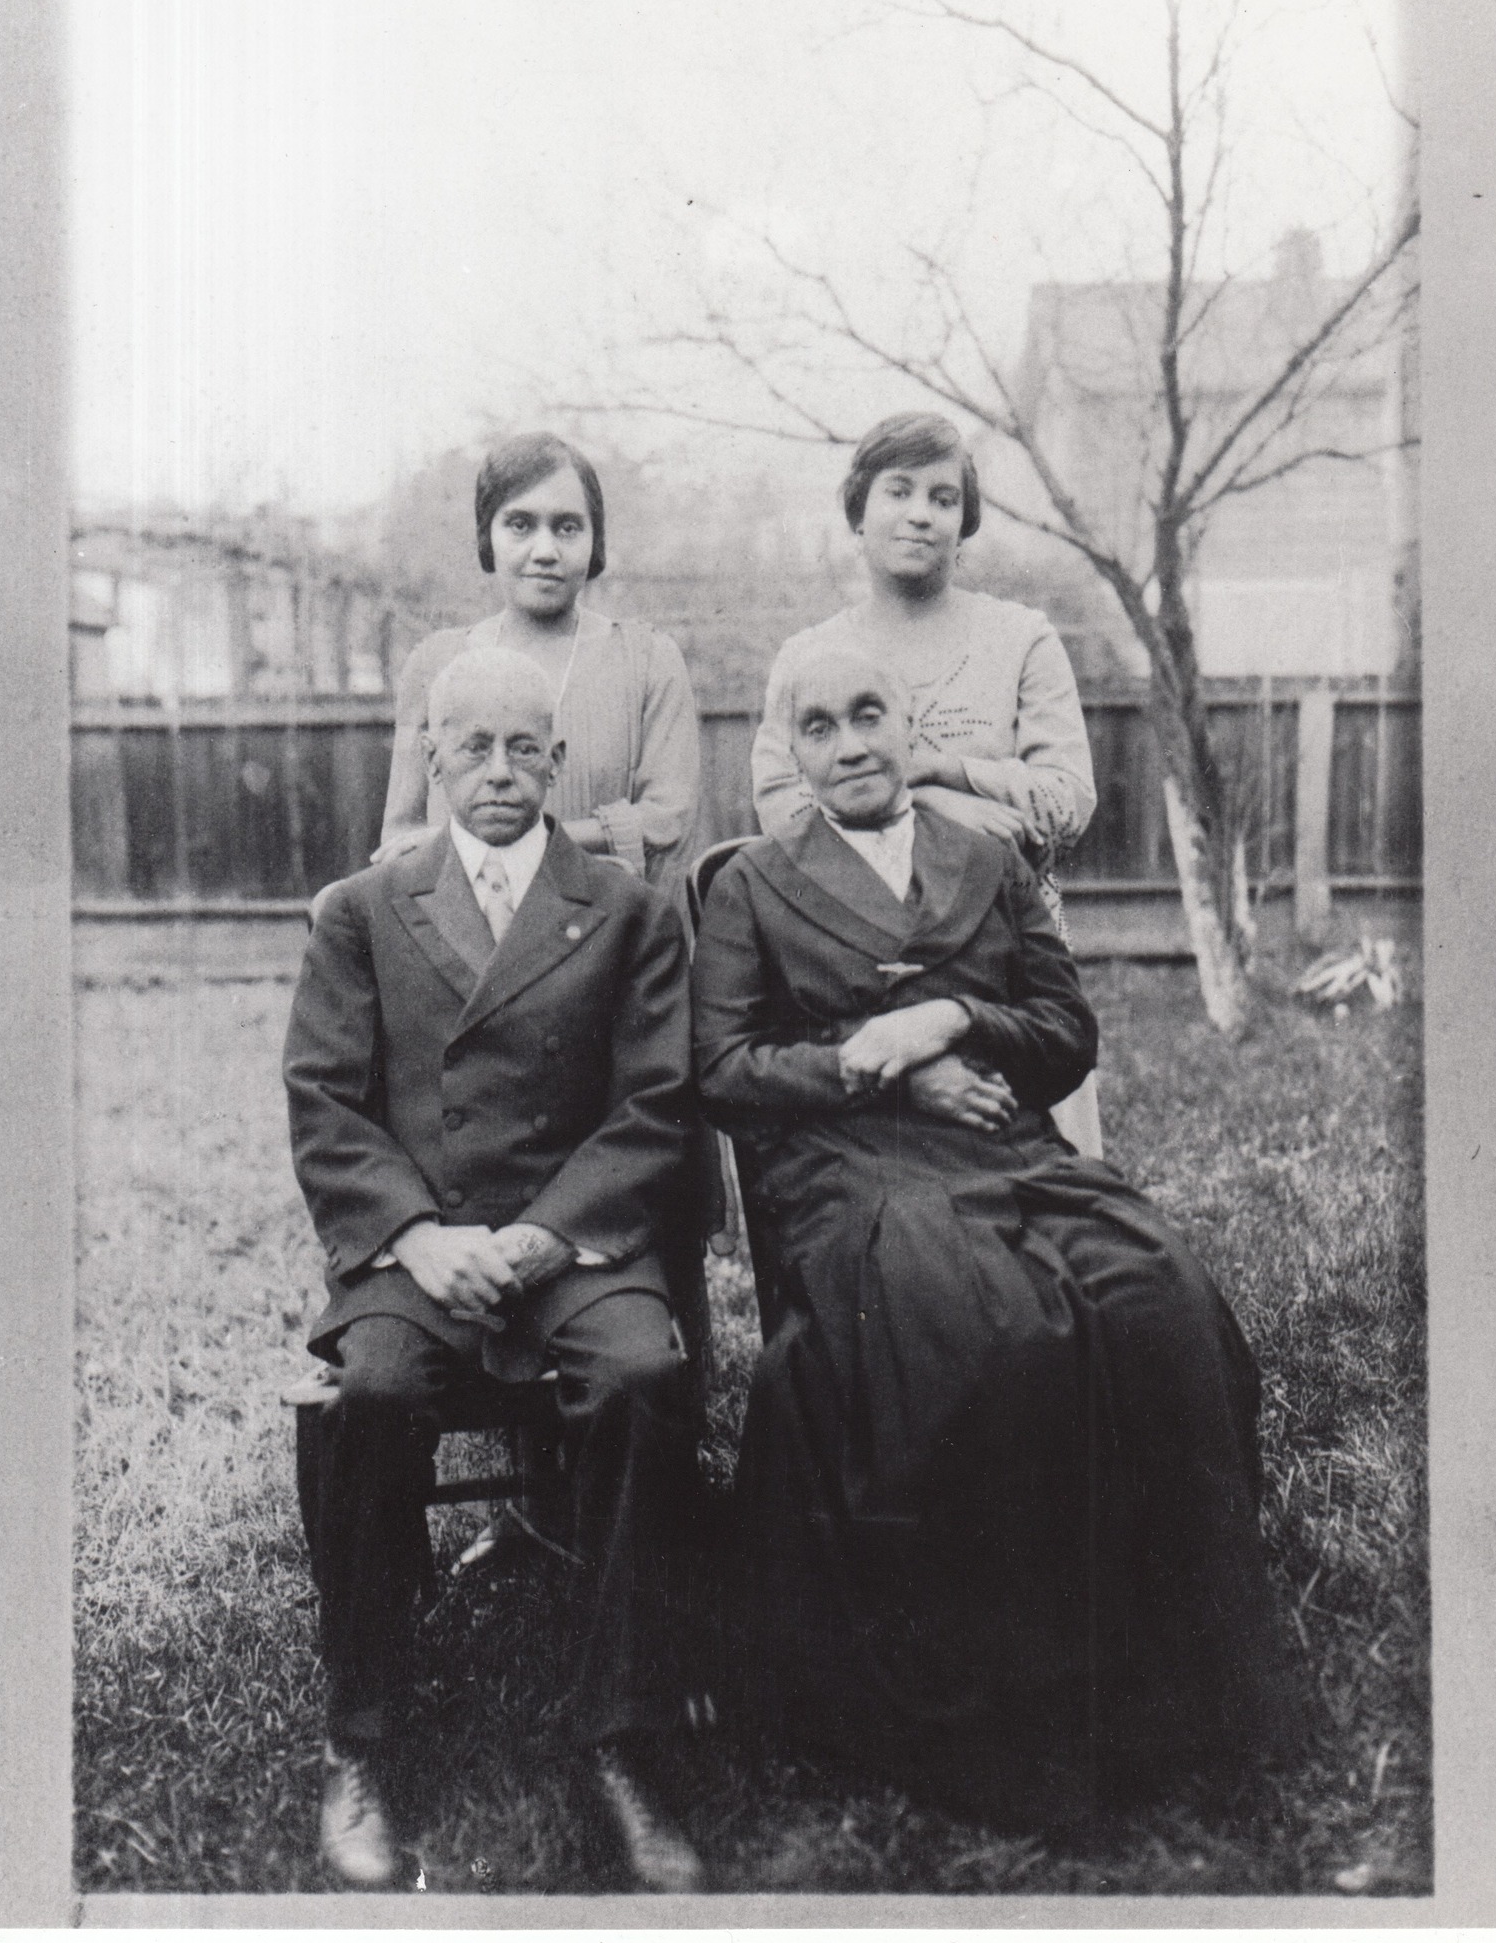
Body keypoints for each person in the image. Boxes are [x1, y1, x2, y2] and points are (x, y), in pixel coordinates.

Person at [694, 645, 1296, 1822]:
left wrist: (953, 1013)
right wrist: (882, 1076)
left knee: (1158, 1288)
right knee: (987, 1328)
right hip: (850, 1169)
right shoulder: (752, 885)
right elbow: (720, 1070)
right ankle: (1013, 1703)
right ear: (790, 751)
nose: (853, 742)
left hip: (1009, 1145)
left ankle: (1180, 1676)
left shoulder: (988, 858)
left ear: (909, 718)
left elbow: (1065, 1032)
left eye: (872, 711)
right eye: (819, 727)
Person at [285, 648, 706, 1892]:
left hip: (570, 1237)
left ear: (560, 764)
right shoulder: (362, 908)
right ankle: (361, 1733)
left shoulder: (625, 909)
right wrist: (417, 1235)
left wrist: (540, 1234)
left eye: (527, 748)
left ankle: (619, 1733)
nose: (501, 772)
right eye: (472, 747)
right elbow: (326, 1103)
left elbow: (657, 1105)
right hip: (420, 1242)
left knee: (640, 1375)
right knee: (370, 1394)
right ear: (431, 758)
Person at [750, 410, 1104, 1156]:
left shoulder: (1020, 638)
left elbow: (1068, 801)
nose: (920, 514)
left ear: (962, 521)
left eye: (943, 499)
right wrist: (933, 806)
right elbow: (781, 806)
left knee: (1038, 1168)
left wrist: (948, 767)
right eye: (898, 491)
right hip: (849, 958)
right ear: (858, 510)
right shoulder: (809, 655)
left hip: (1006, 951)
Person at [379, 432, 701, 891]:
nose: (545, 550)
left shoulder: (649, 662)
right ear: (487, 536)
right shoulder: (434, 665)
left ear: (595, 540)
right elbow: (400, 833)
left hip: (604, 933)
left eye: (567, 527)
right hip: (466, 930)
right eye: (520, 525)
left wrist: (518, 844)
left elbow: (666, 824)